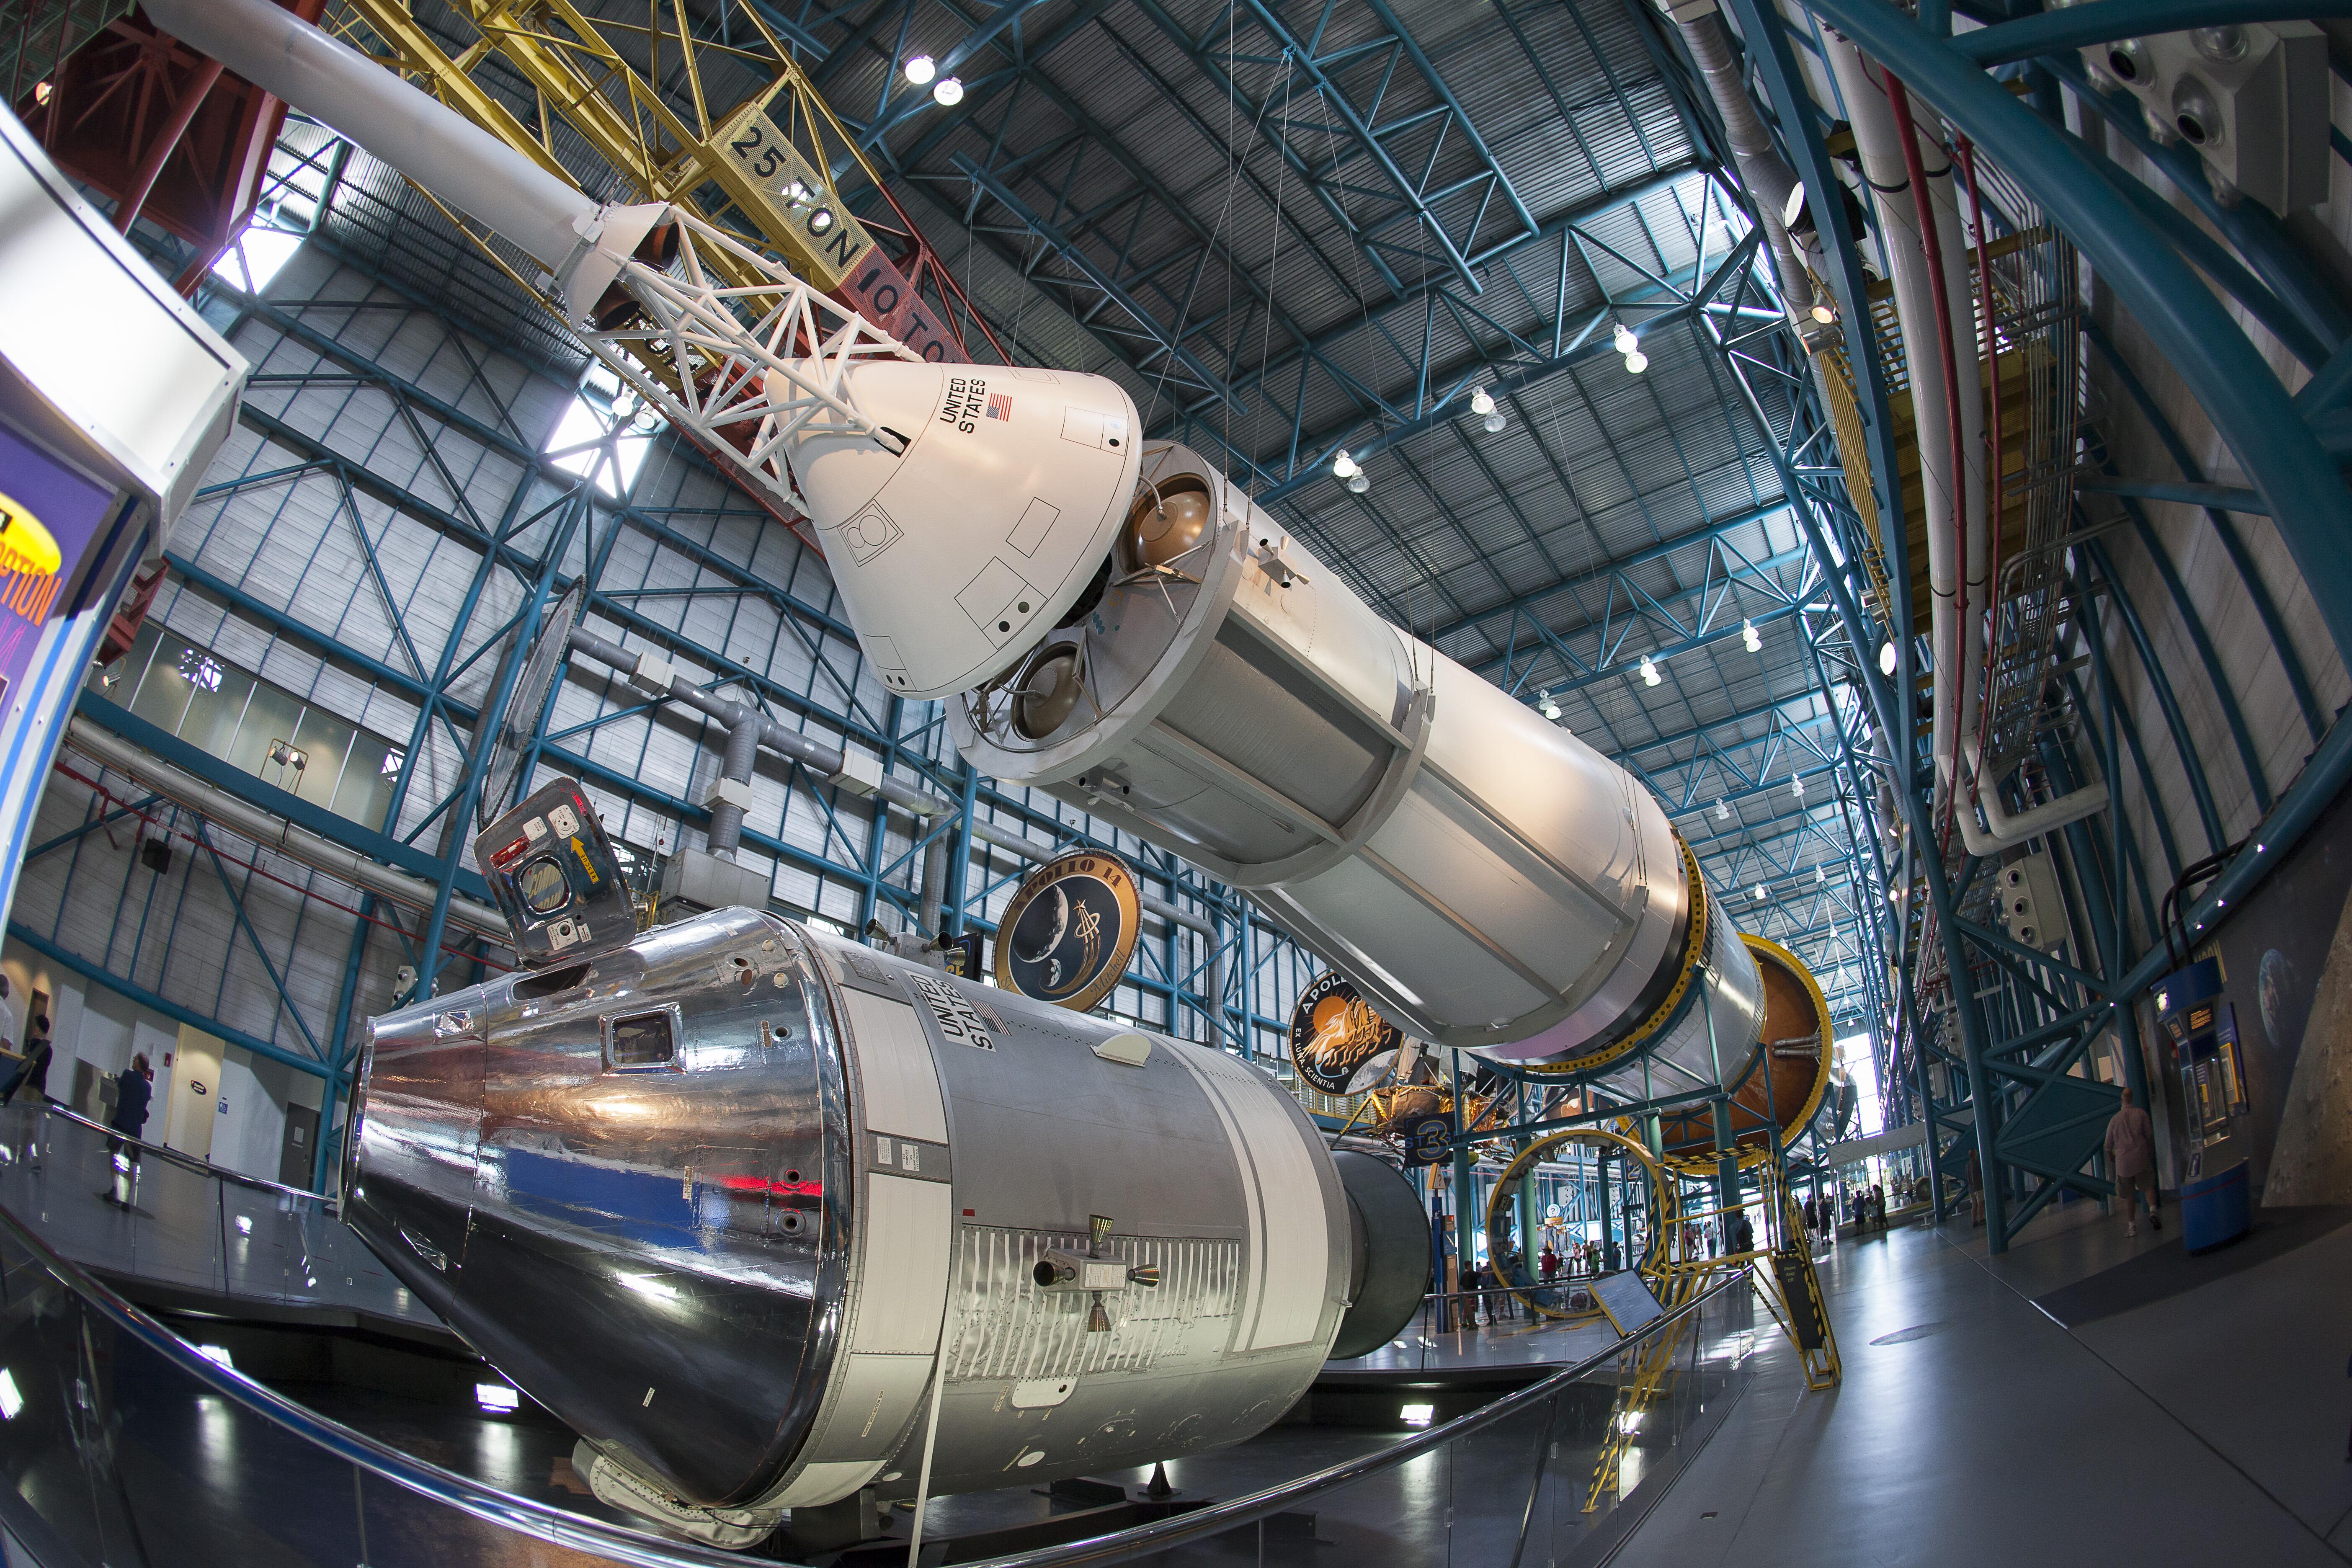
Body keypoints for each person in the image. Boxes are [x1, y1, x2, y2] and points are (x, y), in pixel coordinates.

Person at [2104, 1087, 2161, 1237]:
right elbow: (2150, 1136)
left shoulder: (2115, 1120)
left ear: (2122, 1101)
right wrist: (2150, 1152)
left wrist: (2111, 1157)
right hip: (2141, 1158)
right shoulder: (2141, 1114)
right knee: (2148, 1186)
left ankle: (2132, 1227)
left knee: (2129, 1196)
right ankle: (2153, 1211)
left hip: (2124, 1164)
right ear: (2132, 1099)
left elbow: (2108, 1145)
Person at [103, 1054, 153, 1205]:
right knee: (131, 1164)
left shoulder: (127, 1075)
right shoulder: (147, 1088)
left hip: (120, 1124)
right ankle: (126, 1199)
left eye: (135, 1059)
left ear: (139, 1064)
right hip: (135, 1130)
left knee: (114, 1155)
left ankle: (115, 1189)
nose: (133, 1061)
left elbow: (121, 1087)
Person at [0, 1017, 50, 1106]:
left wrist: (22, 1081)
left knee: (26, 1110)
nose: (35, 1028)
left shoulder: (35, 1043)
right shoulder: (49, 1049)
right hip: (41, 1086)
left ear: (40, 1029)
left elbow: (30, 1063)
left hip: (31, 1084)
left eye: (37, 1026)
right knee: (34, 1110)